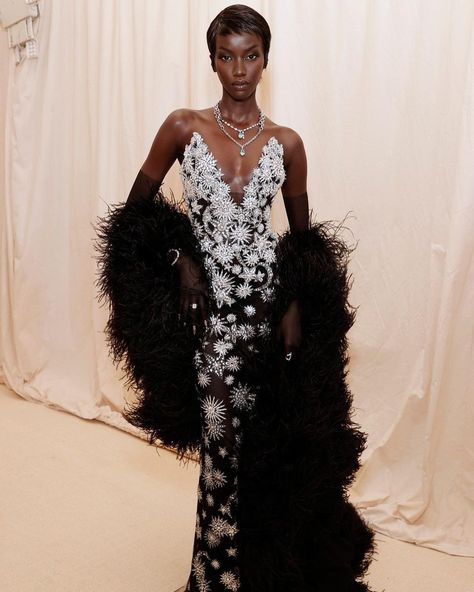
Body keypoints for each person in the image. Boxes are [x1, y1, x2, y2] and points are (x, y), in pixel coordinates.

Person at [95, 4, 376, 591]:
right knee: (220, 449)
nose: (239, 69)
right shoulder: (183, 127)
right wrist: (182, 262)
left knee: (268, 458)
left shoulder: (288, 144)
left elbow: (303, 246)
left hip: (269, 319)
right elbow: (134, 218)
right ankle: (213, 581)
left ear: (266, 60)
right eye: (227, 56)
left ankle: (266, 575)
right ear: (213, 61)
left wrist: (295, 309)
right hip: (212, 320)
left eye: (250, 56)